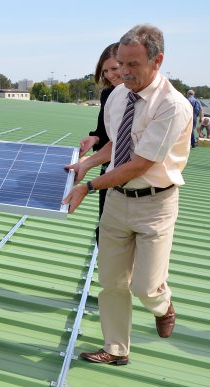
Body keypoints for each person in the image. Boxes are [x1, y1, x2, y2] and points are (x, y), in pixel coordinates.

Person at [62, 24, 191, 365]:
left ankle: (162, 304)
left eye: (133, 65)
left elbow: (139, 164)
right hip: (118, 201)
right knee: (112, 281)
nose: (124, 73)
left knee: (146, 286)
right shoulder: (118, 96)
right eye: (121, 63)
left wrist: (88, 187)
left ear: (157, 60)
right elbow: (115, 148)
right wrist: (87, 164)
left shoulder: (172, 106)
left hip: (156, 204)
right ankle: (116, 348)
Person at [78, 42, 122, 242]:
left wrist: (88, 164)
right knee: (105, 233)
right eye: (105, 71)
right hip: (108, 173)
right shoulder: (108, 94)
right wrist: (94, 138)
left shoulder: (143, 99)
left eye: (114, 68)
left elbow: (123, 143)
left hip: (134, 181)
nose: (110, 75)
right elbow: (104, 134)